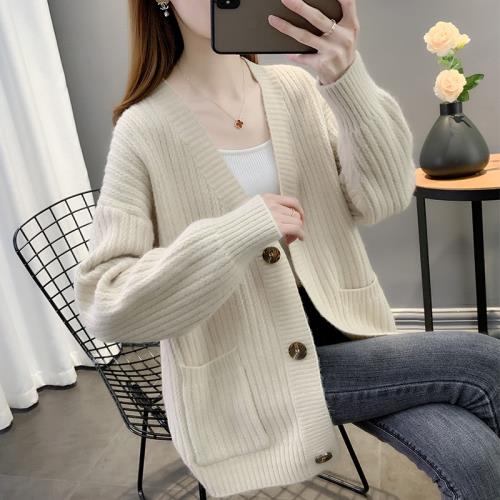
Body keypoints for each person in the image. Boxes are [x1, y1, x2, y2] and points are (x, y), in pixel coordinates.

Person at [74, 0, 500, 498]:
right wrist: (237, 232)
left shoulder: (296, 90)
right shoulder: (144, 129)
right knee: (483, 359)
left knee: (474, 456)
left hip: (349, 336)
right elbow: (107, 300)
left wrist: (346, 78)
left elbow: (384, 197)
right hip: (249, 378)